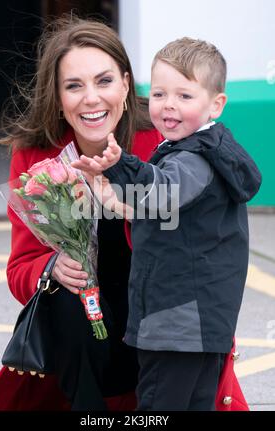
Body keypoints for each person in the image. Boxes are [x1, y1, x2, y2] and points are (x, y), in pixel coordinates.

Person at [0, 19, 248, 411]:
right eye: (73, 86)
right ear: (57, 95)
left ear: (124, 84)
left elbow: (210, 242)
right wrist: (50, 267)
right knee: (65, 300)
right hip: (83, 341)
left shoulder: (162, 139)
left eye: (103, 81)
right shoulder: (35, 153)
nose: (91, 99)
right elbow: (20, 270)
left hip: (165, 323)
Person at [72, 37, 262, 411]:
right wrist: (113, 198)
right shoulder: (206, 151)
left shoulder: (193, 159)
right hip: (203, 325)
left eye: (184, 96)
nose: (169, 105)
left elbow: (163, 190)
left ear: (216, 104)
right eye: (159, 94)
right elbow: (163, 210)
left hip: (175, 325)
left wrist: (121, 164)